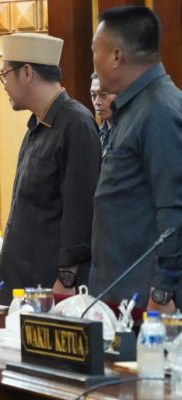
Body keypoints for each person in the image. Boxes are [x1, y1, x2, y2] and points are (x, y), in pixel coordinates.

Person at [0, 33, 101, 305]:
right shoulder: (37, 126)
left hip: (52, 290)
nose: (4, 85)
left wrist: (67, 279)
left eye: (5, 75)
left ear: (27, 72)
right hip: (23, 285)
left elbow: (80, 209)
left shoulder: (75, 123)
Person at [90, 6, 182, 312]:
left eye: (95, 52)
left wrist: (164, 291)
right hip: (120, 294)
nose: (94, 62)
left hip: (146, 303)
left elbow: (174, 209)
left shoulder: (159, 111)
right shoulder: (134, 109)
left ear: (116, 56)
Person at [90, 72, 117, 157]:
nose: (97, 102)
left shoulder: (129, 133)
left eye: (103, 94)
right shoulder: (96, 135)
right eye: (93, 95)